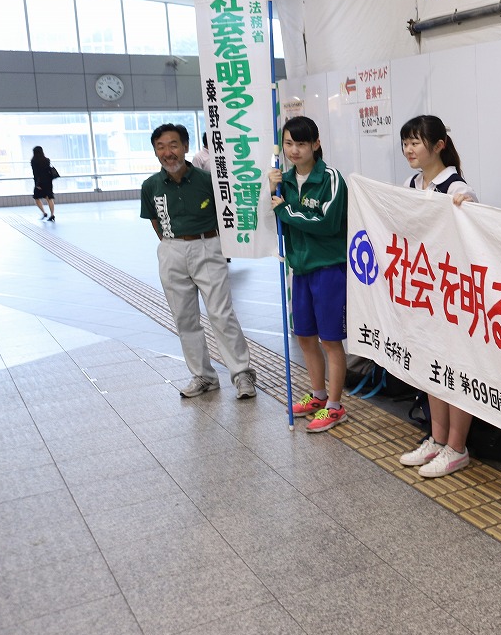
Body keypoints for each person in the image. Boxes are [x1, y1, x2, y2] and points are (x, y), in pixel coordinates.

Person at [141, 123, 257, 400]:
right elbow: (155, 222)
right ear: (156, 151)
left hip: (208, 246)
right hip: (171, 250)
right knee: (184, 318)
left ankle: (242, 374)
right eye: (161, 147)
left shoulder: (209, 181)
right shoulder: (151, 186)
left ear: (185, 147)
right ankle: (203, 376)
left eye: (173, 145)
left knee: (221, 313)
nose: (168, 152)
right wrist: (173, 245)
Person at [396, 114, 479, 478]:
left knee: (457, 368)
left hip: (453, 294)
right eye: (406, 142)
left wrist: (468, 210)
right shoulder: (411, 184)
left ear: (438, 145)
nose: (409, 149)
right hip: (423, 291)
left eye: (416, 142)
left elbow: (475, 237)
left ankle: (457, 447)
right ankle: (437, 438)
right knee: (432, 365)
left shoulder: (458, 189)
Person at [268, 116, 350, 433]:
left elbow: (326, 222)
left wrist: (286, 210)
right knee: (305, 336)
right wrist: (271, 188)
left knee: (330, 340)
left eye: (301, 143)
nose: (294, 150)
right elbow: (271, 214)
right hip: (299, 268)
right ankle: (317, 395)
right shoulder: (284, 181)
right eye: (289, 143)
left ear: (315, 144)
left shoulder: (330, 178)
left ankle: (335, 405)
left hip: (328, 269)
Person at [31, 146, 56, 221]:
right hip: (48, 181)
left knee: (36, 198)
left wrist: (37, 184)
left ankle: (44, 213)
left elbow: (36, 174)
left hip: (39, 182)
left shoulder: (34, 161)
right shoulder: (47, 160)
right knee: (49, 198)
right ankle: (52, 215)